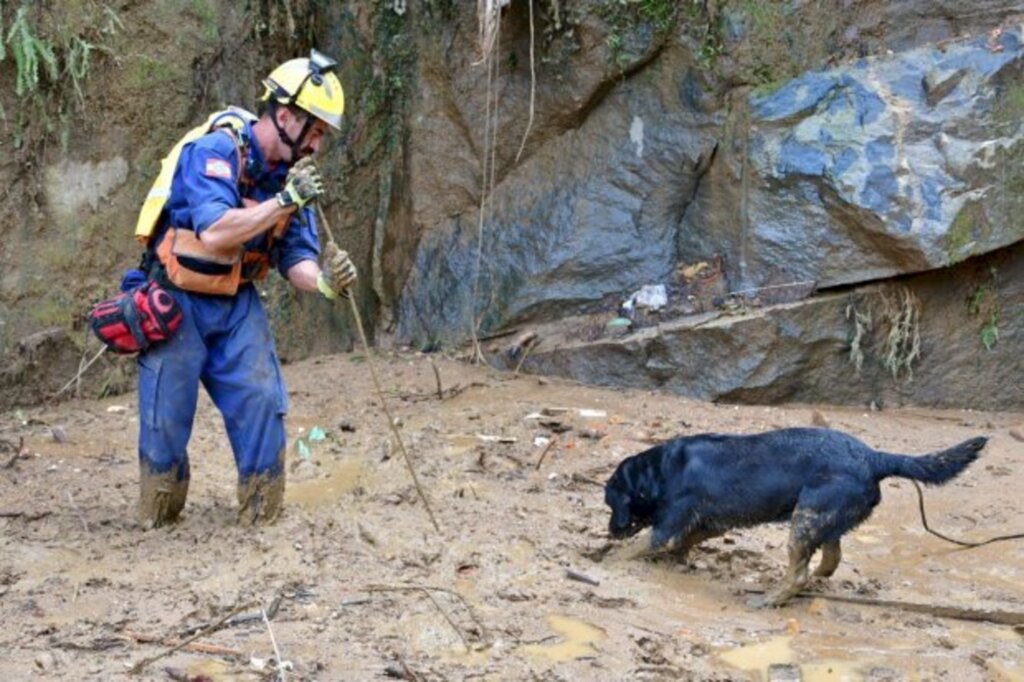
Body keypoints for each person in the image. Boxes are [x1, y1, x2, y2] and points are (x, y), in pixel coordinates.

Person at [132, 49, 357, 528]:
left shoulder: (292, 182)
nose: (317, 146)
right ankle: (158, 514)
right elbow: (214, 231)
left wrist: (324, 283)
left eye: (322, 135)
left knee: (261, 400)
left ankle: (262, 513)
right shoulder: (215, 152)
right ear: (283, 115)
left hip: (236, 305)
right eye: (313, 130)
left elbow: (294, 257)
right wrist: (282, 201)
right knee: (165, 421)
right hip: (176, 300)